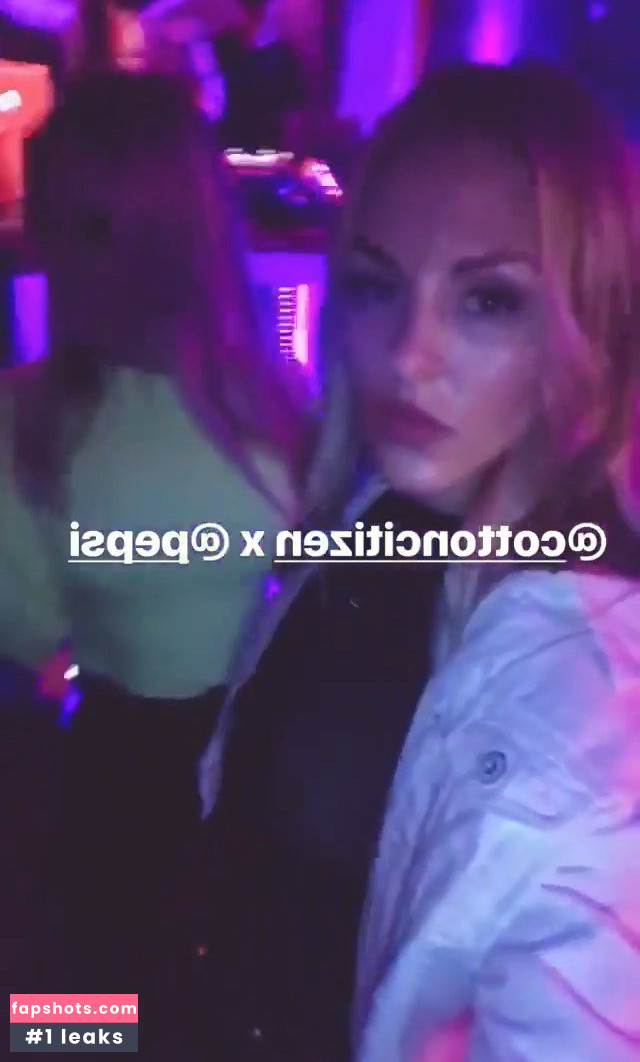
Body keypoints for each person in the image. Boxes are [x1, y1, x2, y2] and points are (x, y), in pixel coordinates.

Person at [199, 60, 640, 1062]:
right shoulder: (388, 504)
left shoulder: (597, 727)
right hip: (177, 1001)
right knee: (46, 1025)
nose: (405, 356)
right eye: (375, 286)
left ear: (594, 319)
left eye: (487, 301)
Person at [0, 70, 308, 1042]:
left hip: (187, 761)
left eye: (82, 227)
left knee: (114, 1007)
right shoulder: (277, 405)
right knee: (127, 1007)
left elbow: (33, 630)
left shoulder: (30, 419)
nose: (53, 252)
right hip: (190, 761)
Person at [213, 0, 307, 151]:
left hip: (271, 144)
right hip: (229, 142)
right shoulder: (222, 48)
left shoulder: (283, 55)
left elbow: (294, 108)